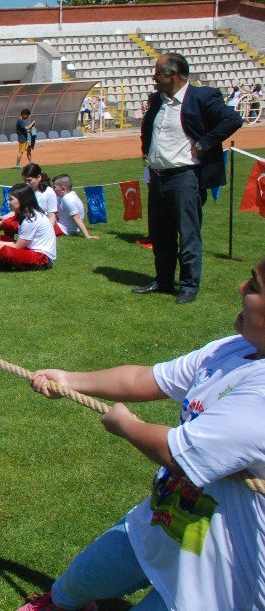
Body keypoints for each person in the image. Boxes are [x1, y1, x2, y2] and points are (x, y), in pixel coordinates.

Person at [17, 254, 265, 611]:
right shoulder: (231, 349)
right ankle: (60, 604)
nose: (241, 288)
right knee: (79, 579)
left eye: (254, 285)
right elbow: (144, 378)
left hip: (221, 572)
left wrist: (126, 426)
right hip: (164, 520)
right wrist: (70, 379)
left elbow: (179, 454)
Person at [134, 53, 242, 305]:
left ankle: (189, 286)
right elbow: (148, 129)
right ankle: (163, 281)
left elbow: (232, 119)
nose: (153, 78)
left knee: (188, 234)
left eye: (158, 73)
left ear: (173, 75)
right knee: (161, 235)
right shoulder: (157, 100)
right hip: (158, 177)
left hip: (185, 177)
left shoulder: (202, 97)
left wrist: (203, 144)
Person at [0, 183, 56, 271]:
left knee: (6, 251)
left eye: (11, 199)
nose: (8, 202)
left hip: (42, 259)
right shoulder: (25, 214)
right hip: (30, 250)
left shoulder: (30, 219)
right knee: (1, 238)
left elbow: (18, 246)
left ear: (22, 200)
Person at [52, 174, 98, 240]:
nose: (53, 189)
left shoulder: (67, 200)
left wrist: (87, 236)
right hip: (64, 225)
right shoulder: (69, 194)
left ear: (63, 189)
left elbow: (76, 218)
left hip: (65, 230)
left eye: (54, 187)